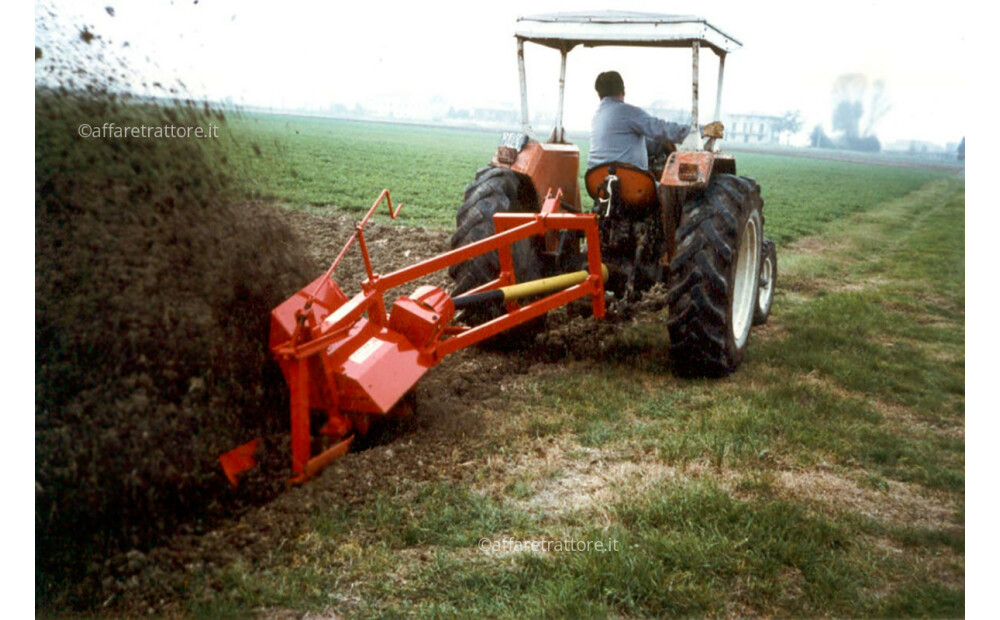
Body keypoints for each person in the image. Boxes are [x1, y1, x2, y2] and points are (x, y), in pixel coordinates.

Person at [588, 71, 691, 171]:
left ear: (599, 95)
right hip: (626, 181)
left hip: (597, 182)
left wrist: (659, 145)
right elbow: (660, 128)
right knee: (671, 188)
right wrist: (698, 130)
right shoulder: (627, 111)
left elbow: (627, 142)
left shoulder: (596, 117)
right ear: (623, 91)